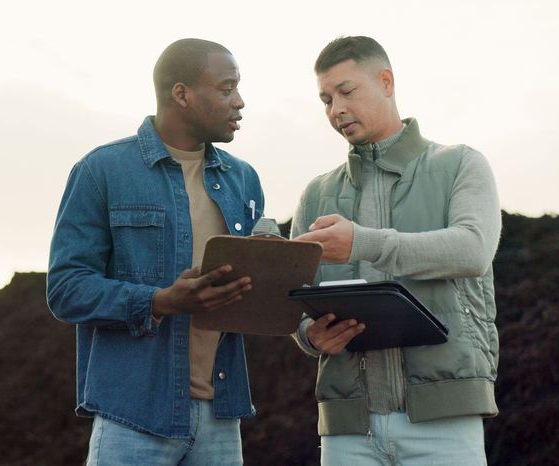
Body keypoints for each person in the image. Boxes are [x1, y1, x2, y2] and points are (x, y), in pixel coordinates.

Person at [47, 38, 264, 466]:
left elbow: (251, 296)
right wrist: (160, 301)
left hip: (222, 415)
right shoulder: (102, 171)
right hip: (133, 414)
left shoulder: (244, 180)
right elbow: (66, 288)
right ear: (181, 94)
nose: (239, 102)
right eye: (225, 88)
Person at [292, 36, 501, 466]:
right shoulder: (315, 193)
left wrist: (363, 242)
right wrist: (308, 336)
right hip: (347, 430)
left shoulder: (461, 163)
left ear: (386, 82)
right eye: (326, 99)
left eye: (346, 92)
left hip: (445, 421)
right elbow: (292, 293)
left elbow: (473, 249)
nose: (336, 110)